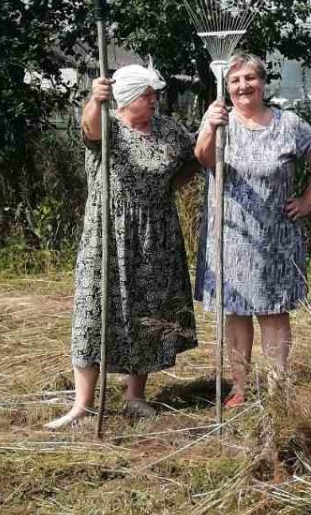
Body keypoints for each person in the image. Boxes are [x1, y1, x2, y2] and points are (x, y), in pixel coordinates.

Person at [48, 61, 200, 429]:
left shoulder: (167, 129)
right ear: (127, 98)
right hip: (108, 231)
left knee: (145, 312)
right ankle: (82, 404)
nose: (154, 101)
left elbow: (194, 158)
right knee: (93, 309)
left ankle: (136, 397)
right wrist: (95, 98)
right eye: (147, 96)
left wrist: (169, 186)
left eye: (154, 95)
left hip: (155, 232)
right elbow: (90, 129)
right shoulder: (109, 124)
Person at [195, 53, 311, 405]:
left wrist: (307, 203)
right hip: (231, 234)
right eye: (235, 81)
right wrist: (210, 127)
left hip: (276, 236)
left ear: (262, 82)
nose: (243, 86)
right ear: (227, 87)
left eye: (250, 79)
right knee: (237, 311)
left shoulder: (289, 125)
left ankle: (277, 386)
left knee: (274, 311)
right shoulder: (219, 121)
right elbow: (204, 159)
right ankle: (240, 387)